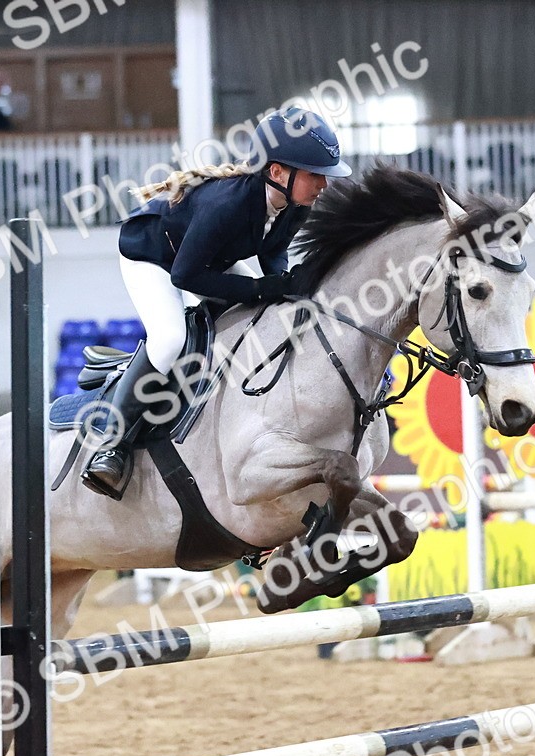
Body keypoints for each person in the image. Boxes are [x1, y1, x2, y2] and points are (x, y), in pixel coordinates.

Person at [81, 107, 352, 497]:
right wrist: (264, 288)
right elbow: (185, 277)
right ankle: (111, 444)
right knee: (170, 339)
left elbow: (273, 253)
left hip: (203, 261)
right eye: (315, 174)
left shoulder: (296, 204)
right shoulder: (226, 204)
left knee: (264, 315)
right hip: (152, 256)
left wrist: (283, 287)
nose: (324, 184)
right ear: (278, 172)